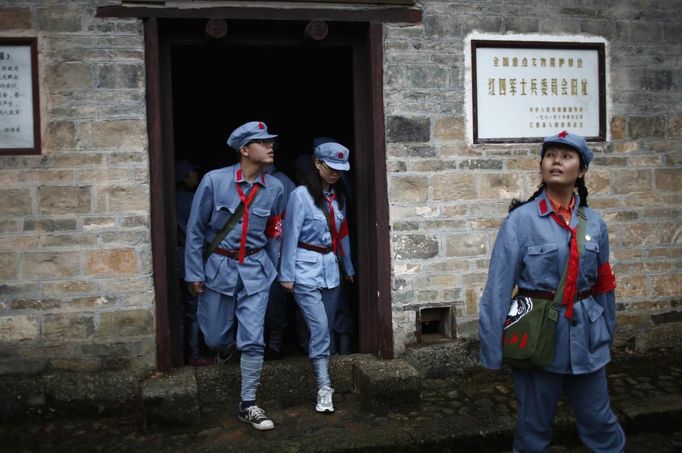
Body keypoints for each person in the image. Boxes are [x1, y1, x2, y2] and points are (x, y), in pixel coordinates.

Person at [478, 131, 626, 452]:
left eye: (567, 156)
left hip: (588, 339)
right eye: (550, 155)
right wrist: (492, 349)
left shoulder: (595, 224)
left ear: (582, 170)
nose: (556, 161)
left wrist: (606, 334)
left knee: (600, 422)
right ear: (542, 165)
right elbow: (498, 288)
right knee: (533, 428)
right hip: (537, 341)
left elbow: (604, 284)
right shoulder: (520, 222)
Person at [184, 121, 285, 431]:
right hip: (218, 270)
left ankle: (249, 404)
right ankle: (225, 352)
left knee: (253, 339)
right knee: (215, 337)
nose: (270, 146)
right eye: (263, 142)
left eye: (271, 142)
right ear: (244, 150)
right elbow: (196, 229)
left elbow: (275, 233)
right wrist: (193, 272)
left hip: (256, 271)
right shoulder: (215, 182)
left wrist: (275, 268)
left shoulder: (276, 189)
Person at [279, 141, 355, 413]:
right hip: (304, 269)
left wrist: (348, 267)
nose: (336, 173)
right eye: (331, 168)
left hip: (330, 270)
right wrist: (286, 275)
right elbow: (290, 236)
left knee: (327, 326)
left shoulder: (338, 197)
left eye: (340, 169)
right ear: (317, 164)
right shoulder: (300, 195)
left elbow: (341, 235)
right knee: (321, 328)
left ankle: (322, 369)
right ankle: (324, 389)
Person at [175, 159, 212, 367]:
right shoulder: (189, 200)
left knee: (186, 309)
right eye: (192, 173)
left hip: (181, 258)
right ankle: (195, 354)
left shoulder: (177, 198)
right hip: (193, 259)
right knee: (194, 309)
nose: (196, 177)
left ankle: (185, 352)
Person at [263, 162, 296, 360]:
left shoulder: (284, 182)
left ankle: (274, 344)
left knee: (275, 300)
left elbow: (288, 224)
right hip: (251, 252)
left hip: (275, 250)